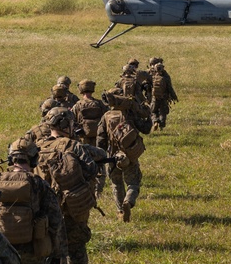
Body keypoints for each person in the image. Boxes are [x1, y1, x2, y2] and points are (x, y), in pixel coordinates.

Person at [35, 107, 99, 264]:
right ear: (67, 125)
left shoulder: (36, 147)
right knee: (77, 252)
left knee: (52, 256)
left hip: (45, 212)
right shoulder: (74, 146)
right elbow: (92, 169)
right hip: (72, 210)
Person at [97, 88, 152, 222]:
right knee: (133, 183)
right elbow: (145, 129)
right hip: (130, 154)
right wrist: (148, 116)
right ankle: (129, 200)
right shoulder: (131, 114)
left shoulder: (107, 116)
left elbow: (101, 138)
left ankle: (121, 210)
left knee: (116, 183)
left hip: (113, 155)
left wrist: (101, 156)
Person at [71, 79, 108, 147]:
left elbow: (72, 120)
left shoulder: (77, 106)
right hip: (99, 137)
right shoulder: (100, 104)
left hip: (83, 138)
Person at [148, 58, 179, 131]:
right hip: (164, 98)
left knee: (153, 111)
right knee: (163, 112)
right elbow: (170, 88)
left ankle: (155, 121)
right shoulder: (165, 77)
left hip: (154, 97)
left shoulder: (153, 76)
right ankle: (161, 125)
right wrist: (174, 97)